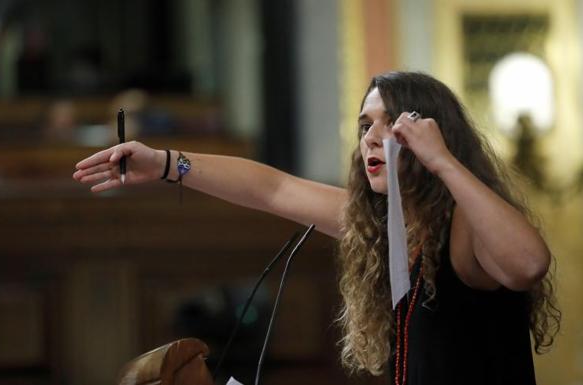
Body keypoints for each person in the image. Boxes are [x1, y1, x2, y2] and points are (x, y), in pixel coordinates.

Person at [73, 72, 560, 385]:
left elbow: (529, 264)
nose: (370, 138)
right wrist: (163, 163)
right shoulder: (390, 229)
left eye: (389, 124)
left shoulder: (465, 228)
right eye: (364, 125)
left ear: (431, 133)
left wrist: (445, 162)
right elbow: (273, 191)